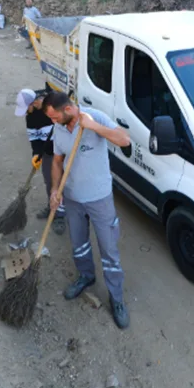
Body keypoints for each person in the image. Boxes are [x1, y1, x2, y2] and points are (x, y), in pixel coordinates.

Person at [43, 91, 132, 329]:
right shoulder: (59, 130)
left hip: (100, 198)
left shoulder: (96, 117)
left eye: (54, 117)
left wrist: (93, 127)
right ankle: (86, 276)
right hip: (72, 197)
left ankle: (117, 298)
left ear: (69, 110)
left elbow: (125, 140)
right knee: (79, 242)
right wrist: (54, 190)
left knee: (109, 248)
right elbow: (58, 162)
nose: (52, 122)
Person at [13, 88, 65, 222]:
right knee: (50, 182)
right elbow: (34, 138)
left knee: (63, 182)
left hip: (63, 152)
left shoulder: (52, 108)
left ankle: (60, 214)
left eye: (26, 108)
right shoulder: (30, 118)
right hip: (46, 154)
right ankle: (52, 206)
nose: (25, 112)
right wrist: (36, 153)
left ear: (34, 103)